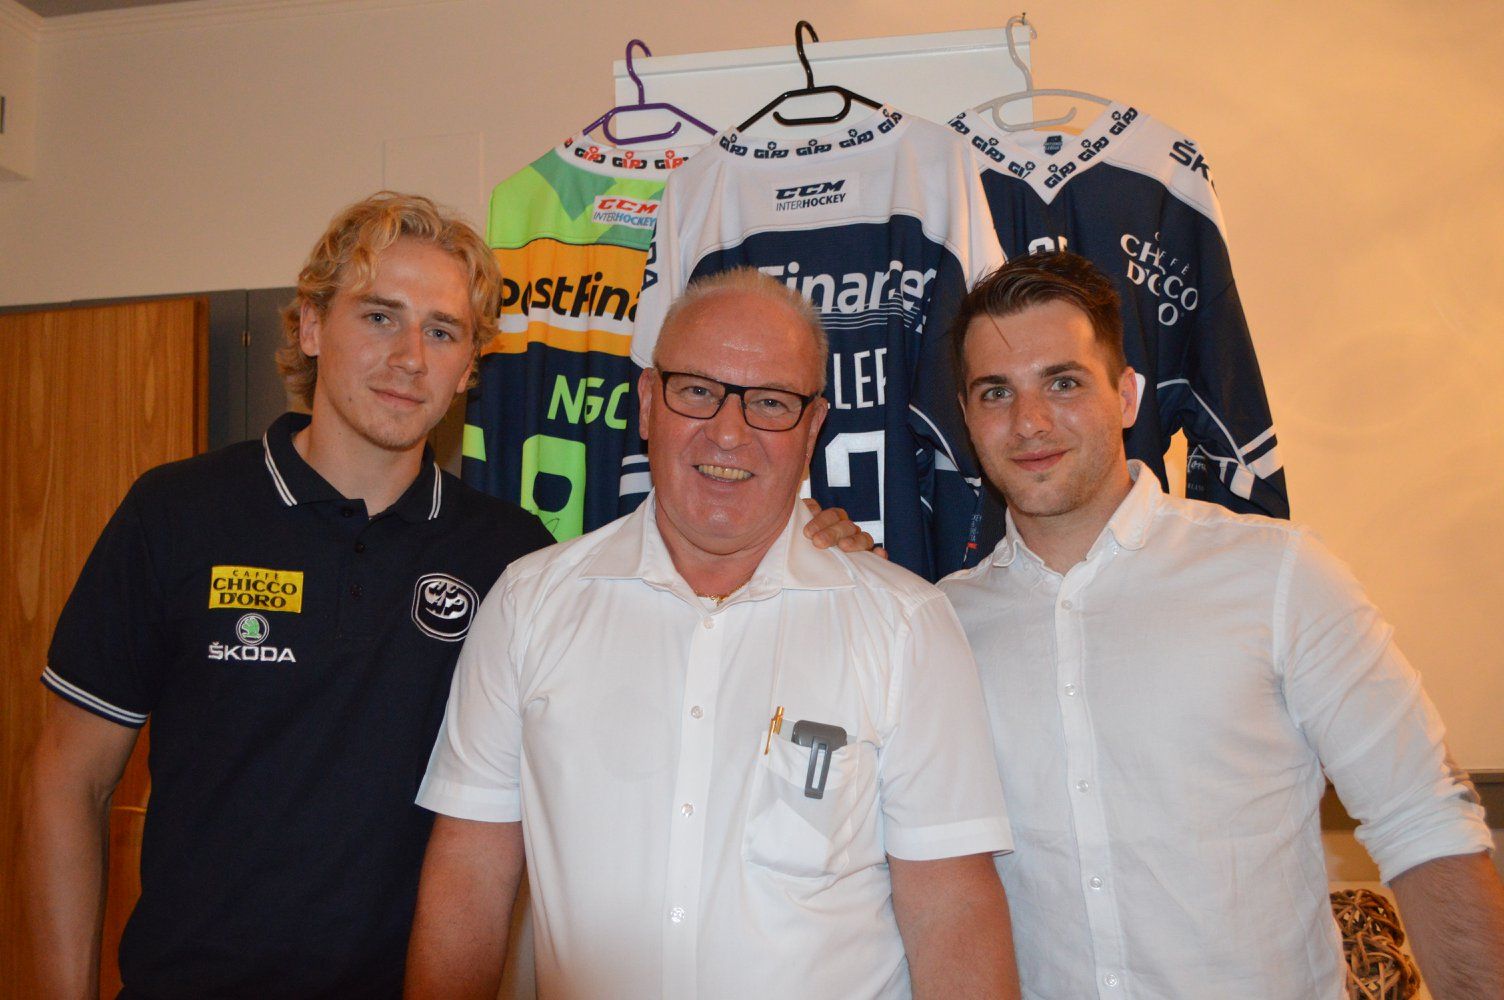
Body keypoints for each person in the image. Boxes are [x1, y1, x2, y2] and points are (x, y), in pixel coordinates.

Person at [16, 191, 877, 999]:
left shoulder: (514, 561)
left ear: (470, 365)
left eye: (442, 331)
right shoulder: (178, 515)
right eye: (379, 316)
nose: (408, 358)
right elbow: (66, 781)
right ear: (311, 324)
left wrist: (807, 547)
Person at [405, 267, 1019, 1000]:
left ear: (813, 427)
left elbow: (952, 908)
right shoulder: (529, 603)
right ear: (646, 403)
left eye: (770, 402)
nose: (729, 432)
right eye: (697, 391)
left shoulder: (905, 625)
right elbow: (470, 869)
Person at [939, 250, 1504, 998]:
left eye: (1064, 382)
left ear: (1127, 396)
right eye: (995, 392)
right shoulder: (939, 624)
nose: (1030, 421)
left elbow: (1424, 821)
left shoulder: (1278, 575)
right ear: (967, 417)